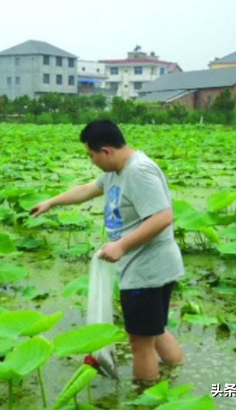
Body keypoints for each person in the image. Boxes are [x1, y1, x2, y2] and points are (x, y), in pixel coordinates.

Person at [30, 119, 185, 381]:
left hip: (146, 268)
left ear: (107, 151)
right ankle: (180, 373)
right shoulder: (116, 170)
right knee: (154, 330)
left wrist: (121, 245)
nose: (91, 160)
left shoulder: (139, 171)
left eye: (91, 155)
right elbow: (90, 189)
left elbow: (163, 217)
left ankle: (145, 396)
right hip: (145, 265)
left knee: (139, 342)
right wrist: (51, 202)